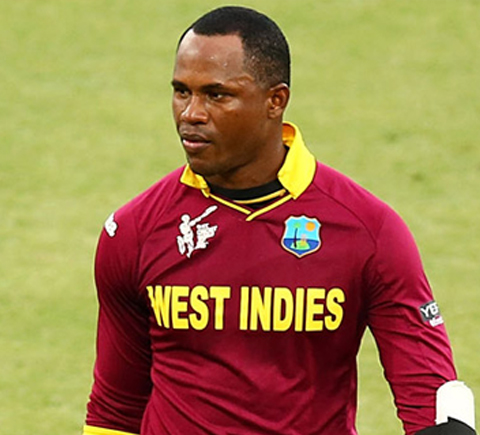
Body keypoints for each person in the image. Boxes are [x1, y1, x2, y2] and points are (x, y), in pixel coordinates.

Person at [83, 6, 476, 435]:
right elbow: (115, 410)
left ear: (276, 101)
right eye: (182, 91)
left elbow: (431, 402)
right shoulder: (135, 231)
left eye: (216, 95)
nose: (190, 113)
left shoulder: (368, 233)